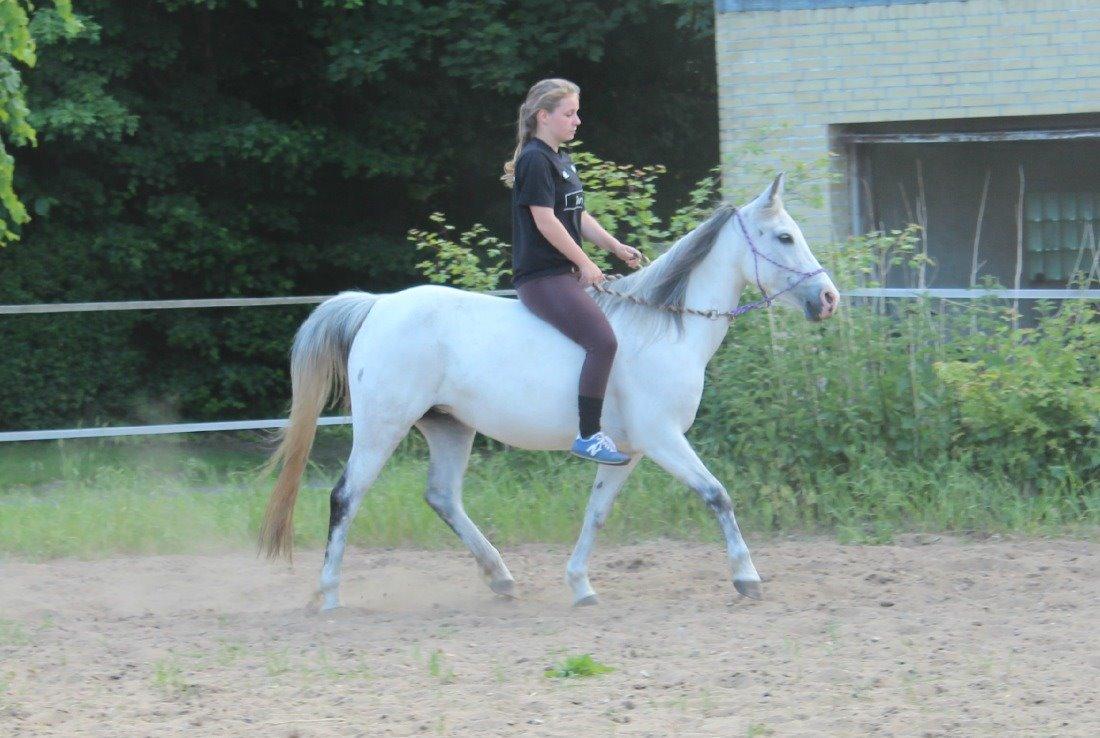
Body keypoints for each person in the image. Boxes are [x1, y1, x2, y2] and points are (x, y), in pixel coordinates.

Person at [501, 78, 643, 465]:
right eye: (569, 113)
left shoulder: (560, 158)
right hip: (541, 277)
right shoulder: (534, 158)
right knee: (604, 342)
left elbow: (576, 215)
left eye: (576, 113)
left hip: (562, 274)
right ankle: (589, 435)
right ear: (543, 116)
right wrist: (585, 262)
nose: (577, 121)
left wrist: (614, 247)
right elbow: (545, 221)